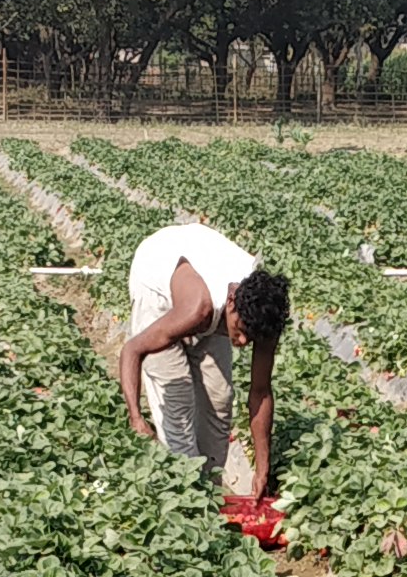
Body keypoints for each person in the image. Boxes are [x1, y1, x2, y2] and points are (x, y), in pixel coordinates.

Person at [116, 215, 293, 531]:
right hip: (157, 281)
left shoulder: (263, 316)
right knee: (178, 403)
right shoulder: (197, 306)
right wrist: (136, 417)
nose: (241, 343)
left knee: (220, 397)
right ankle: (186, 512)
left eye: (250, 338)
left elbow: (260, 391)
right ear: (231, 302)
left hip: (201, 272)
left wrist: (262, 466)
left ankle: (208, 496)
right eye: (239, 332)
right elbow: (133, 350)